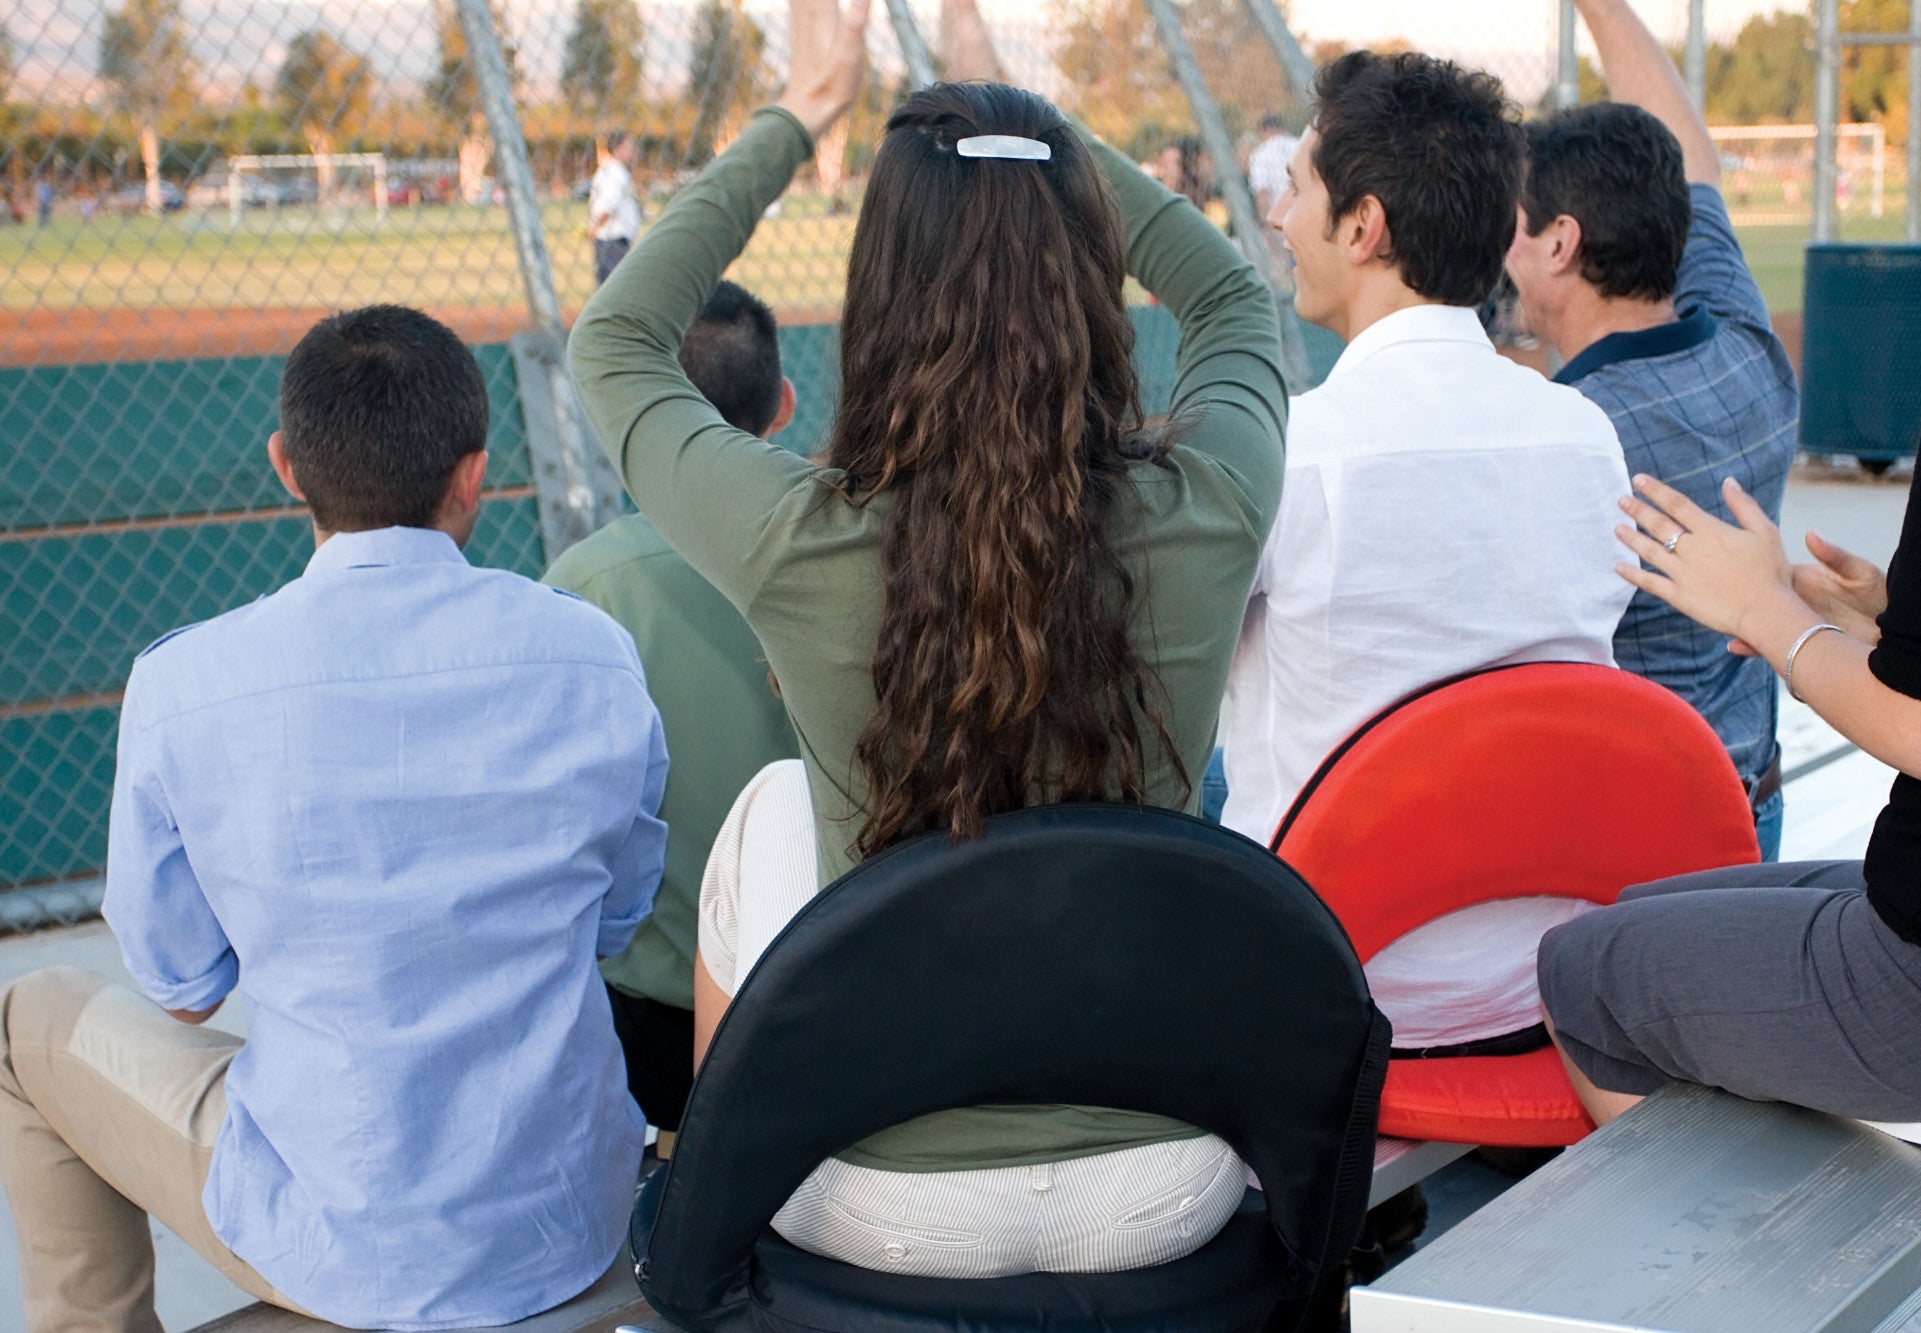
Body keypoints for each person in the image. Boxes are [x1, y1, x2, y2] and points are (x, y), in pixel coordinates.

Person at [569, 0, 1287, 1280]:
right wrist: (1038, 136)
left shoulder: (802, 539)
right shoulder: (1211, 501)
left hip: (876, 1193)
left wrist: (799, 120)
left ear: (877, 290)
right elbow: (1232, 295)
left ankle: (702, 1169)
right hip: (1172, 1180)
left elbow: (617, 340)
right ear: (1088, 269)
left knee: (779, 810)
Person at [0, 306, 666, 1331]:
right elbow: (615, 923)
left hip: (340, 1231)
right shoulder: (593, 654)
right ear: (475, 473)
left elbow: (181, 987)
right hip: (563, 1218)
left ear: (284, 465)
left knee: (24, 1021)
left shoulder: (183, 683)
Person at [1538, 1, 1921, 1129]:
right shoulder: (1744, 352)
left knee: (1578, 969)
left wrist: (1769, 613)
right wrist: (1901, 617)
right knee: (1655, 913)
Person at [1221, 50, 1634, 1056]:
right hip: (1541, 979)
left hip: (1333, 985)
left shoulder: (1290, 451)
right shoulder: (1584, 435)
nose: (1278, 217)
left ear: (1361, 227)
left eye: (1300, 189)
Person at [1506, 0, 1799, 860]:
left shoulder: (1576, 437)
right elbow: (1693, 160)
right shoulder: (1747, 343)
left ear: (1561, 242)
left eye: (1515, 228)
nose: (1503, 249)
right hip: (1754, 801)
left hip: (1647, 833)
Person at [544, 279, 801, 1138]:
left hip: (652, 1038)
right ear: (785, 403)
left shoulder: (580, 591)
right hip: (841, 994)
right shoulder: (855, 544)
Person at [589, 129, 641, 284]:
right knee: (617, 288)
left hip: (611, 241)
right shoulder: (615, 172)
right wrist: (594, 228)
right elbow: (607, 206)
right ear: (619, 147)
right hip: (612, 241)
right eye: (629, 146)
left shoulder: (611, 170)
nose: (633, 150)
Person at [1246, 113, 1298, 220]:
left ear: (1265, 130)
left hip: (1280, 215)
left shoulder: (1261, 154)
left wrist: (1267, 223)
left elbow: (1262, 193)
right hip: (1305, 210)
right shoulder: (1299, 145)